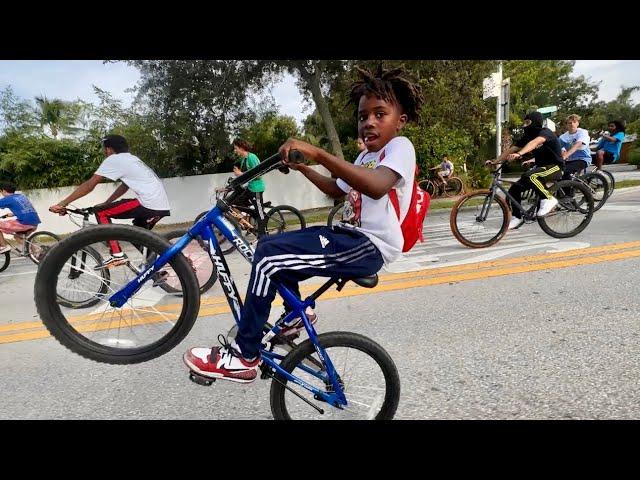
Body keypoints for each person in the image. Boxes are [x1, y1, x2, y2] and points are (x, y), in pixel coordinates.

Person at [183, 65, 424, 383]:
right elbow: (336, 188)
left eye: (380, 114)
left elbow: (377, 186)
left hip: (369, 247)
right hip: (351, 238)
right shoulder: (366, 157)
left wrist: (319, 153)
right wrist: (303, 168)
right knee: (268, 245)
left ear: (400, 121)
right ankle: (299, 313)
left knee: (269, 261)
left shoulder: (400, 148)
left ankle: (244, 355)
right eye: (363, 116)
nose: (369, 122)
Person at [49, 134, 171, 268]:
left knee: (101, 213)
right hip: (161, 206)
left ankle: (117, 255)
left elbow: (90, 184)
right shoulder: (133, 159)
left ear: (109, 149)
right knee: (138, 236)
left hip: (148, 203)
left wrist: (63, 203)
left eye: (105, 150)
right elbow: (125, 185)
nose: (105, 153)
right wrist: (108, 202)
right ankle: (156, 270)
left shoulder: (114, 159)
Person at [486, 111, 564, 230]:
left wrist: (520, 154)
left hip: (555, 167)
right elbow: (511, 149)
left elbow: (535, 143)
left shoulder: (545, 132)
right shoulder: (527, 137)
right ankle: (517, 217)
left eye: (527, 122)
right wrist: (495, 161)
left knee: (531, 176)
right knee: (514, 189)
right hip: (540, 168)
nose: (524, 125)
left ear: (535, 122)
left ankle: (549, 199)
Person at [0, 181, 41, 254]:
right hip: (35, 222)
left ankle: (4, 246)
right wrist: (13, 214)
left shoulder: (7, 199)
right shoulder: (21, 196)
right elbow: (25, 209)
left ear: (3, 190)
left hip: (24, 223)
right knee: (18, 237)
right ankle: (37, 253)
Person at [231, 139, 266, 209]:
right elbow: (245, 174)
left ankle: (260, 212)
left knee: (260, 214)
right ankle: (252, 213)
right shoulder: (243, 159)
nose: (235, 151)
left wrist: (240, 174)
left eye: (236, 148)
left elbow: (259, 174)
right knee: (236, 202)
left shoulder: (252, 157)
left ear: (241, 148)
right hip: (250, 188)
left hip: (257, 189)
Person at [559, 114, 591, 179]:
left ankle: (569, 188)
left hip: (583, 159)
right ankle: (568, 186)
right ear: (566, 125)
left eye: (574, 122)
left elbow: (577, 145)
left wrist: (565, 155)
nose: (572, 124)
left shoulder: (583, 132)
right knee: (557, 172)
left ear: (578, 124)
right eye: (569, 123)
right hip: (569, 160)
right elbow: (558, 147)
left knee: (565, 171)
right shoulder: (563, 137)